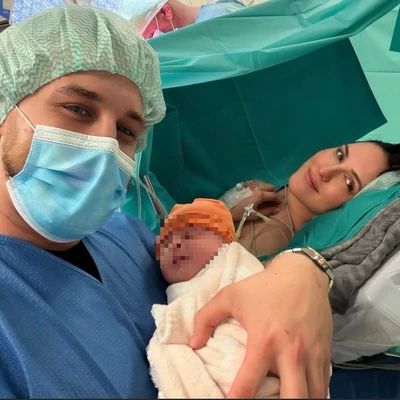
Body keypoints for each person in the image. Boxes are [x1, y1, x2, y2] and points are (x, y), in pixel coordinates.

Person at [0, 4, 334, 399]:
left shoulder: (128, 237)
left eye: (126, 130)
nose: (106, 143)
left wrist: (304, 270)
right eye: (77, 109)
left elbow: (220, 275)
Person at [148, 198, 283, 398]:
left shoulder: (236, 265)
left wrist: (174, 324)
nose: (174, 244)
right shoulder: (173, 293)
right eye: (165, 244)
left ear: (225, 241)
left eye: (189, 234)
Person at [222, 140, 400, 258]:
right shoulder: (261, 174)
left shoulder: (275, 249)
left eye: (348, 182)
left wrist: (222, 212)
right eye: (339, 155)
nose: (325, 171)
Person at [131, 0, 246, 39]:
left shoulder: (216, 16)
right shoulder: (197, 30)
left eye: (152, 35)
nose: (156, 39)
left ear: (165, 11)